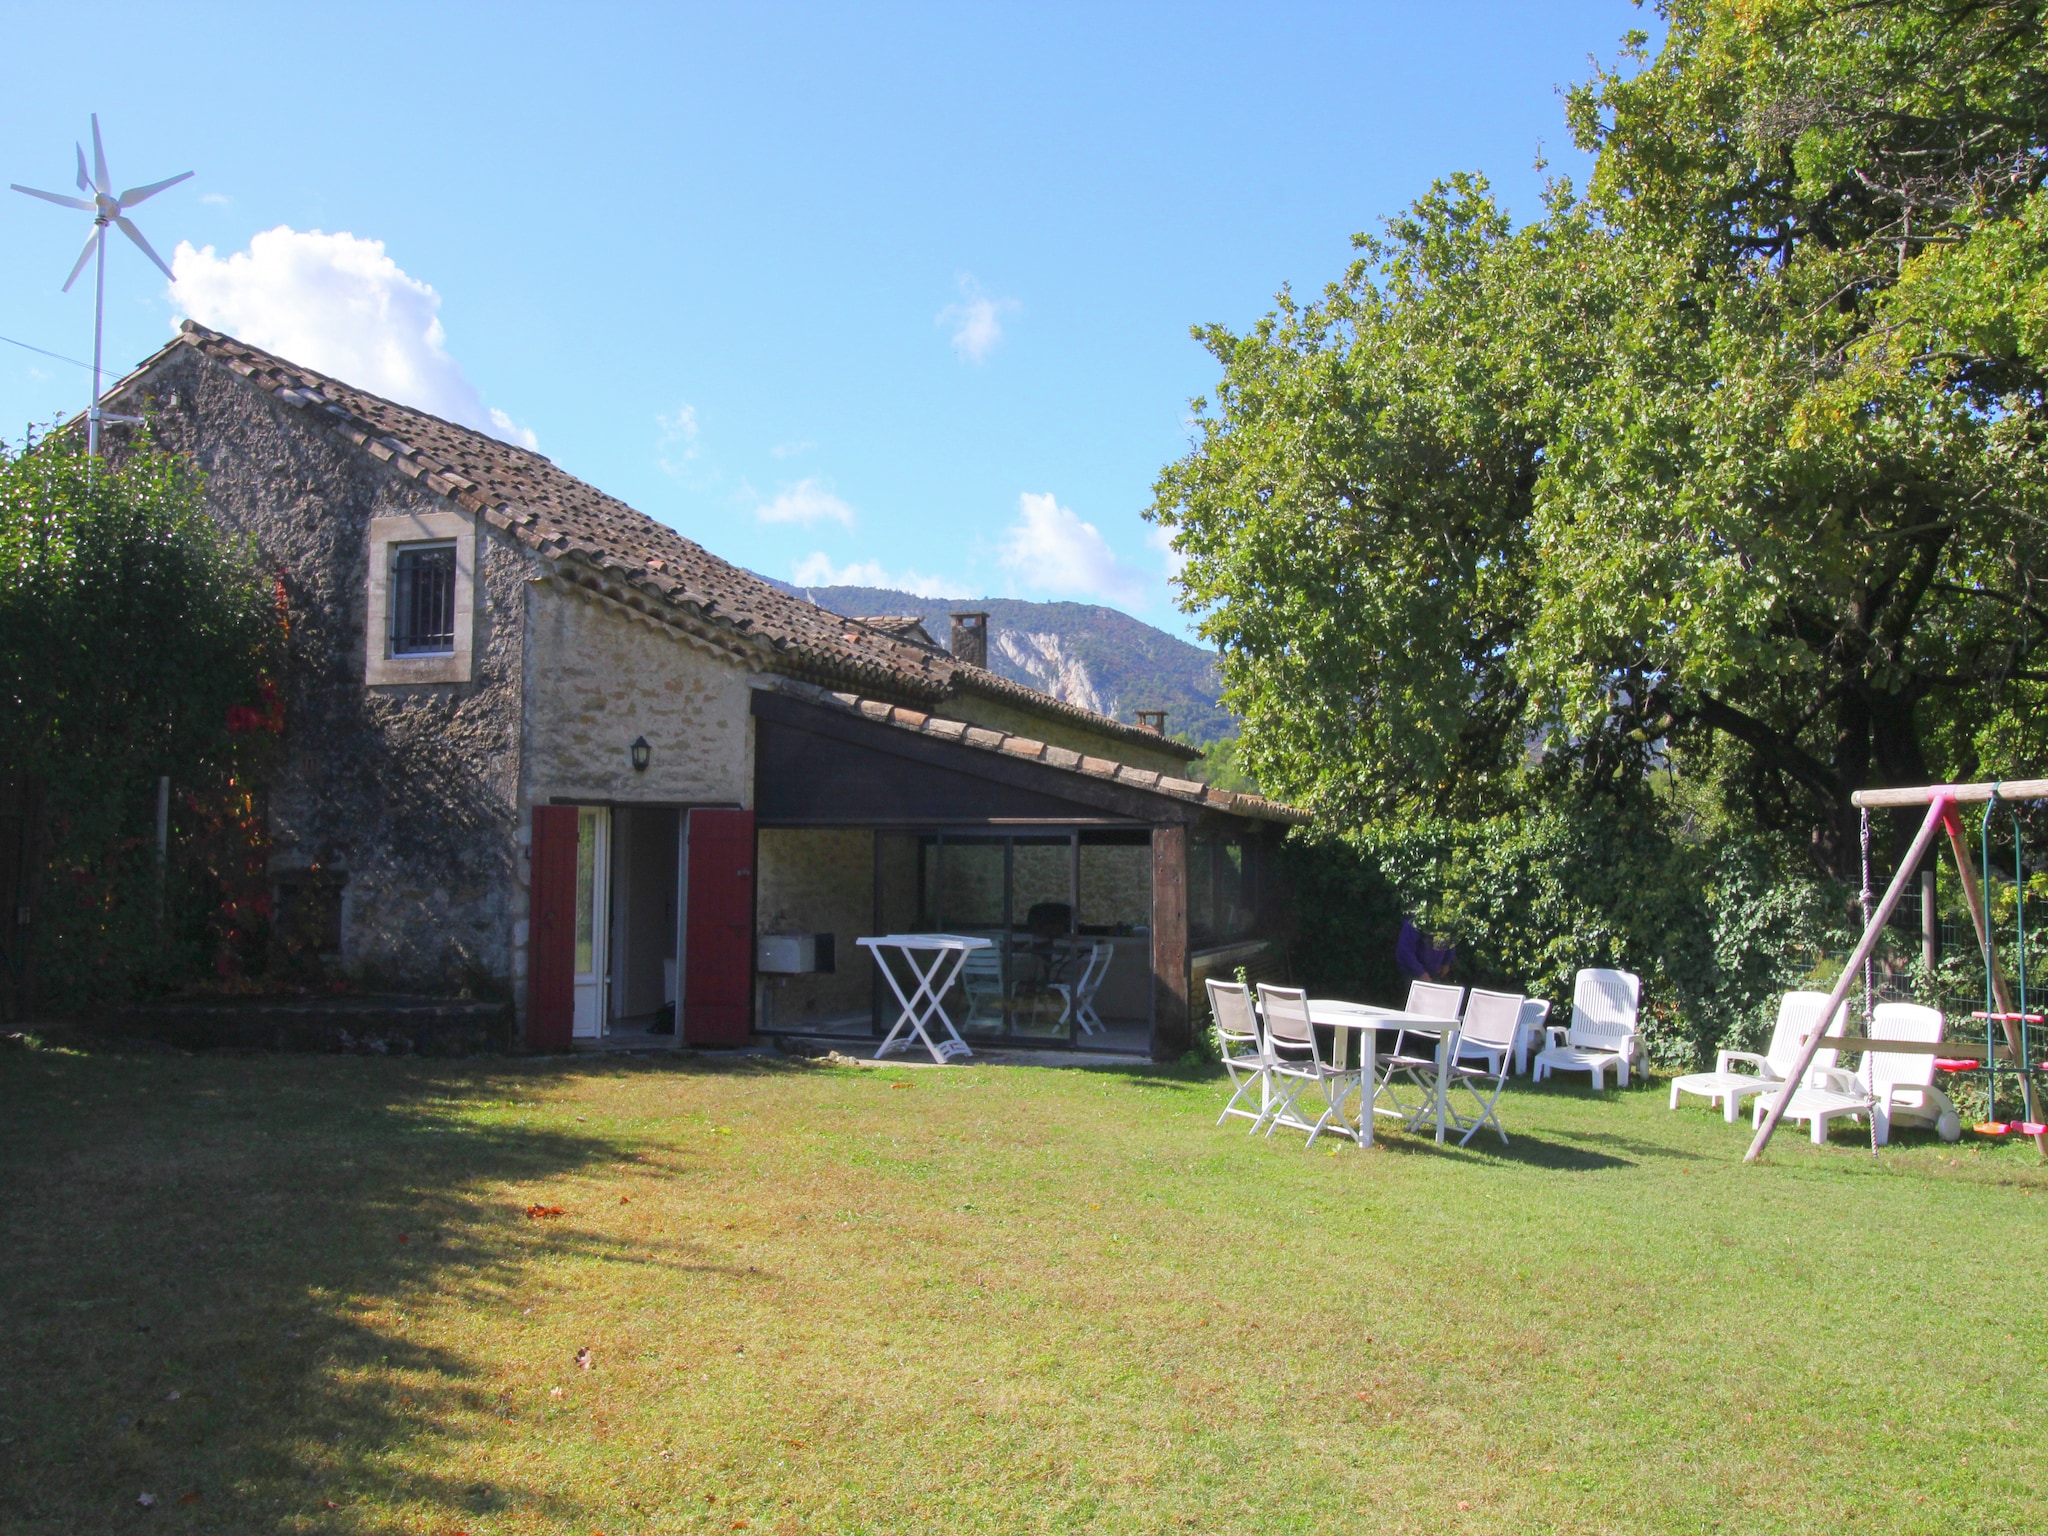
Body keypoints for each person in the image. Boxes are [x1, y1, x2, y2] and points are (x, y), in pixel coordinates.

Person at [1395, 912, 1455, 984]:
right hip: (1413, 974)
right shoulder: (1416, 920)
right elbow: (1405, 949)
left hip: (1435, 973)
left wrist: (1447, 962)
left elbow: (1449, 939)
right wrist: (1421, 973)